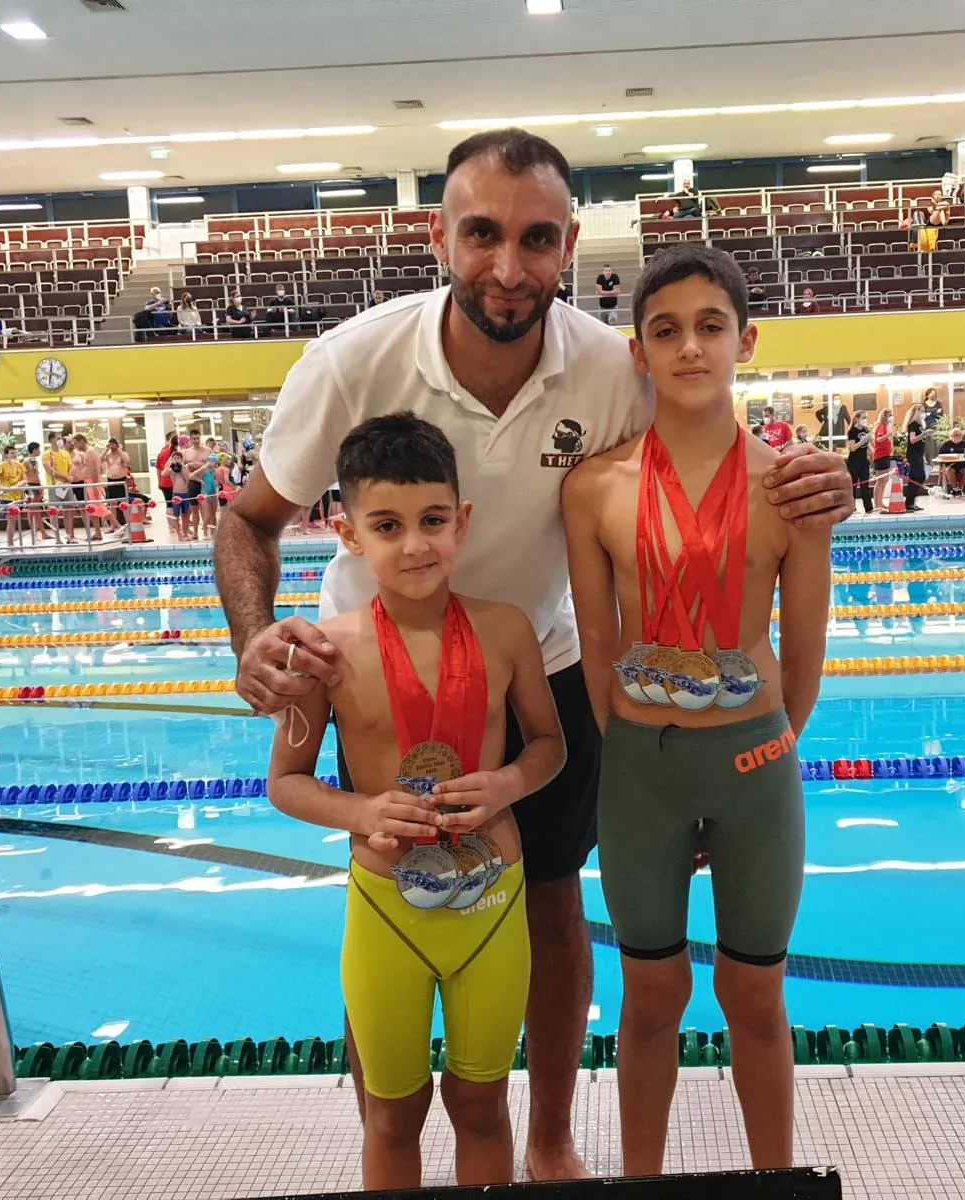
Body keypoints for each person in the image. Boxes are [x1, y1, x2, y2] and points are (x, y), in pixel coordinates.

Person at [214, 128, 855, 1181]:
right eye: (481, 235)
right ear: (438, 234)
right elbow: (248, 521)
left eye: (536, 240)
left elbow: (708, 438)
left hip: (547, 662)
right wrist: (253, 643)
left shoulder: (610, 367)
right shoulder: (352, 361)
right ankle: (386, 1128)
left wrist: (814, 479)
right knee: (388, 874)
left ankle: (551, 1139)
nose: (507, 268)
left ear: (569, 250)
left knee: (553, 899)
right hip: (387, 667)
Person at [560, 245, 830, 1175]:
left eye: (710, 327)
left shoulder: (790, 489)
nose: (689, 348)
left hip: (756, 765)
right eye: (666, 331)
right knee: (651, 995)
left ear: (745, 342)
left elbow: (803, 659)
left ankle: (778, 1182)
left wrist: (761, 748)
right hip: (641, 766)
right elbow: (600, 652)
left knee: (756, 997)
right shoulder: (592, 489)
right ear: (638, 350)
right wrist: (645, 757)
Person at [268, 413, 564, 1189]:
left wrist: (505, 783)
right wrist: (362, 811)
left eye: (433, 521)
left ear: (461, 522)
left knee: (482, 1105)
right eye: (387, 525)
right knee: (393, 1113)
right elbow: (285, 782)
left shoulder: (506, 632)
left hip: (491, 902)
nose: (415, 545)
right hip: (385, 908)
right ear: (349, 533)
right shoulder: (324, 653)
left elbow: (549, 748)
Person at [43, 431, 77, 544]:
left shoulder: (65, 453)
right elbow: (50, 471)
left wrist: (69, 478)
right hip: (55, 486)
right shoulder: (47, 454)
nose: (60, 440)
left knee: (69, 511)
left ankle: (70, 537)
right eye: (58, 438)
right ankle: (57, 538)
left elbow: (71, 467)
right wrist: (66, 477)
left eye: (61, 438)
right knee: (54, 512)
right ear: (52, 439)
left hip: (66, 485)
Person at [0, 444, 26, 550]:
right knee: (11, 519)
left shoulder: (20, 465)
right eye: (12, 453)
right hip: (6, 496)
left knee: (14, 519)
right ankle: (10, 543)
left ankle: (11, 542)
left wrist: (19, 484)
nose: (14, 455)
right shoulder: (2, 465)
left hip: (17, 496)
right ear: (6, 455)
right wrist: (1, 487)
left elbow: (25, 479)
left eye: (15, 452)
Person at [846, 410, 873, 514]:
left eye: (866, 418)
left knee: (865, 485)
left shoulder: (865, 430)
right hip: (854, 462)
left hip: (863, 462)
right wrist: (862, 441)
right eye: (863, 418)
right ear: (857, 419)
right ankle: (852, 507)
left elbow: (867, 446)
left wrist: (872, 451)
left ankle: (869, 507)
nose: (865, 420)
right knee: (853, 485)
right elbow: (852, 448)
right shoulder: (852, 431)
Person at [937, 425, 965, 496]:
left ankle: (959, 489)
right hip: (950, 466)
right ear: (950, 436)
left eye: (958, 434)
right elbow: (940, 457)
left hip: (962, 466)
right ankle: (955, 489)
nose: (956, 436)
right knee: (949, 471)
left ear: (961, 435)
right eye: (954, 435)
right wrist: (940, 468)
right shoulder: (945, 445)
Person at [102, 437, 133, 523]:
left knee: (124, 502)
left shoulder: (123, 454)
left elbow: (127, 460)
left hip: (121, 480)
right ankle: (113, 525)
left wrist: (119, 450)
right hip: (111, 480)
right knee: (112, 503)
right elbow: (100, 460)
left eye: (113, 444)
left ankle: (128, 522)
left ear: (117, 445)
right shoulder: (108, 455)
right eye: (110, 444)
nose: (111, 446)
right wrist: (105, 450)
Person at [904, 406, 927, 512]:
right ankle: (909, 502)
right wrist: (924, 434)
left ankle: (911, 502)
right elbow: (912, 440)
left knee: (918, 477)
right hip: (913, 454)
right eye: (921, 411)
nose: (923, 413)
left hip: (918, 454)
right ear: (916, 412)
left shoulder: (919, 425)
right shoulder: (913, 425)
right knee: (918, 477)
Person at [155, 429, 179, 508]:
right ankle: (175, 520)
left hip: (164, 482)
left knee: (169, 504)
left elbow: (158, 469)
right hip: (174, 482)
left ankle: (172, 520)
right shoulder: (175, 452)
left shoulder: (162, 452)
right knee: (176, 504)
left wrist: (159, 482)